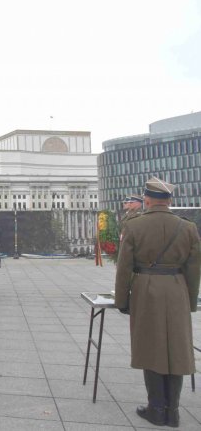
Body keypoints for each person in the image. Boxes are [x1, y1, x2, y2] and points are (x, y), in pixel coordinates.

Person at [114, 177, 200, 428]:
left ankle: (156, 409)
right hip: (177, 289)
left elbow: (124, 267)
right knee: (177, 349)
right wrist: (190, 301)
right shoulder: (188, 227)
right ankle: (172, 412)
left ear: (147, 200)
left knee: (151, 348)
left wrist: (122, 300)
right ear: (170, 200)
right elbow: (194, 269)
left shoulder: (134, 225)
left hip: (146, 289)